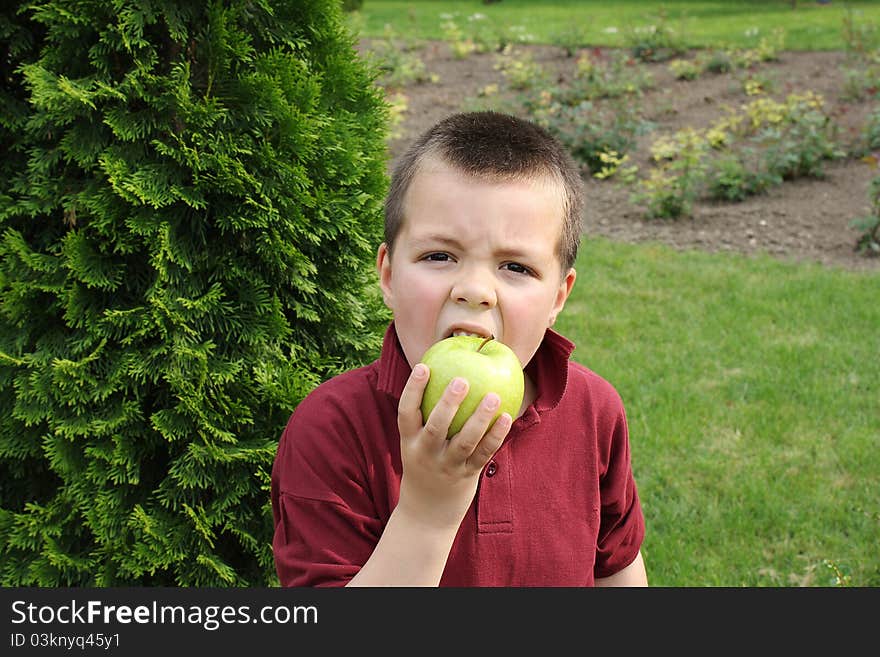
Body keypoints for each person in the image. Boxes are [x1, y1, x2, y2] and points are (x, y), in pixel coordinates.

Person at [271, 111, 647, 586]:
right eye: (439, 256)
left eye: (515, 267)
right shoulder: (331, 430)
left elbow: (617, 566)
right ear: (388, 275)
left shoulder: (595, 412)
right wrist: (428, 512)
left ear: (557, 297)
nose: (474, 290)